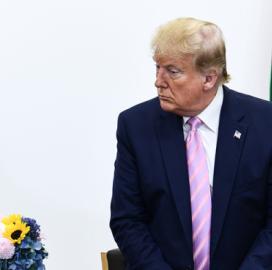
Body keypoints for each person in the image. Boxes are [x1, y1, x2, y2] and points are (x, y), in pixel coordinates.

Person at [109, 17, 272, 270]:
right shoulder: (136, 126)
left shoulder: (265, 123)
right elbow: (127, 220)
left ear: (209, 78)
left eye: (172, 71)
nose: (159, 81)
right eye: (157, 68)